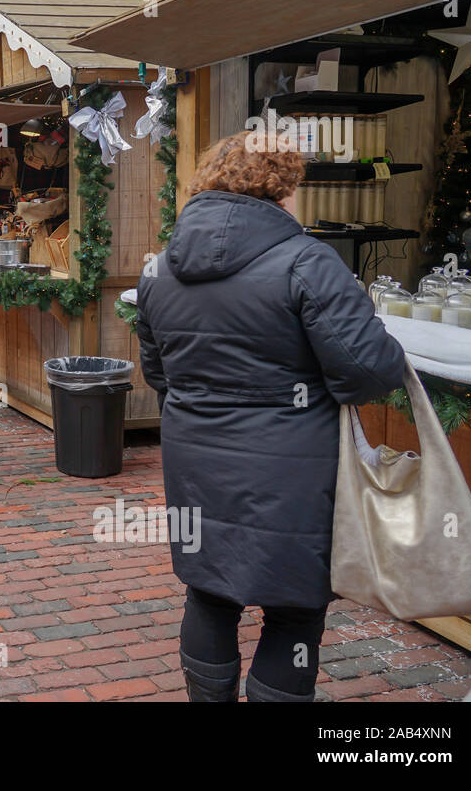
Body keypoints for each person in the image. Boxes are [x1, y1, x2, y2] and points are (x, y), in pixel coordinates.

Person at [135, 131, 404, 703]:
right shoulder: (308, 261)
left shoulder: (160, 269)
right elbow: (368, 370)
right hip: (292, 467)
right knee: (294, 605)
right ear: (283, 188)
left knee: (208, 589)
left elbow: (158, 371)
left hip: (196, 457)